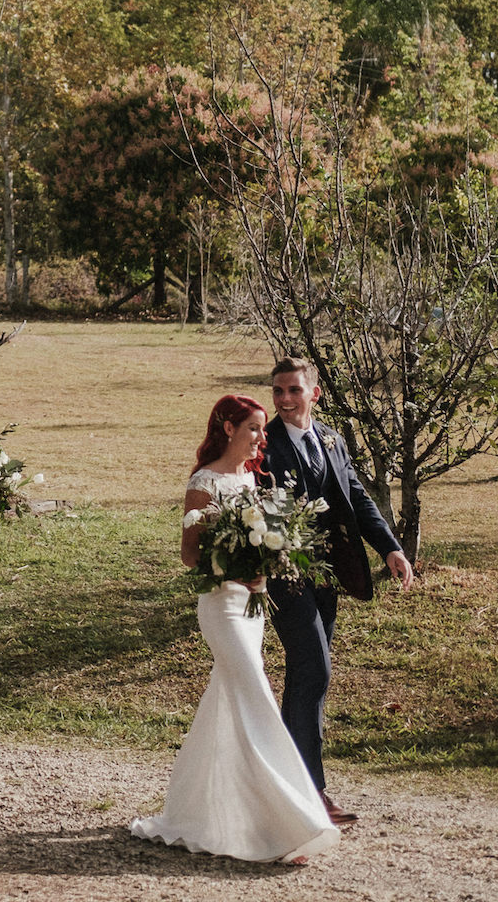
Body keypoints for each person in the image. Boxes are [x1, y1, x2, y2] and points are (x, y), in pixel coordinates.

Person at [130, 394, 340, 865]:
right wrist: (234, 569)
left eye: (263, 430)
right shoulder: (204, 483)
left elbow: (267, 538)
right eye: (253, 429)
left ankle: (202, 810)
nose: (261, 439)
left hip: (254, 608)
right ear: (228, 428)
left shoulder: (252, 478)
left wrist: (271, 557)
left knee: (226, 705)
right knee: (257, 699)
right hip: (221, 608)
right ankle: (289, 823)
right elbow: (189, 554)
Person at [262, 355, 415, 826]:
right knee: (315, 668)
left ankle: (293, 784)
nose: (285, 400)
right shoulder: (262, 443)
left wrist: (389, 548)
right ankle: (314, 792)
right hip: (285, 575)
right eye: (278, 392)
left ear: (315, 393)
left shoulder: (331, 437)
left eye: (293, 391)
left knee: (307, 678)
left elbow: (357, 497)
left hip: (329, 574)